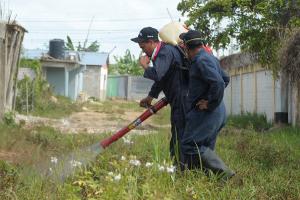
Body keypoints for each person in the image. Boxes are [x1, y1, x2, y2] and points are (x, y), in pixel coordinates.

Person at [179, 30, 235, 179]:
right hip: (218, 112)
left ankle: (225, 173)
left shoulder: (200, 60)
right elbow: (226, 78)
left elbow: (218, 83)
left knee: (190, 145)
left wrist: (209, 102)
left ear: (187, 47)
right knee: (205, 147)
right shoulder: (210, 57)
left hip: (207, 113)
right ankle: (210, 180)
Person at [131, 27, 189, 165]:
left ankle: (181, 170)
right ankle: (180, 168)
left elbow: (157, 74)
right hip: (179, 99)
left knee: (179, 137)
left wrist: (145, 66)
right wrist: (151, 97)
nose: (142, 51)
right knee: (178, 135)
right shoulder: (163, 52)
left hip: (182, 99)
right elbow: (162, 79)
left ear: (151, 42)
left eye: (143, 46)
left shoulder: (165, 52)